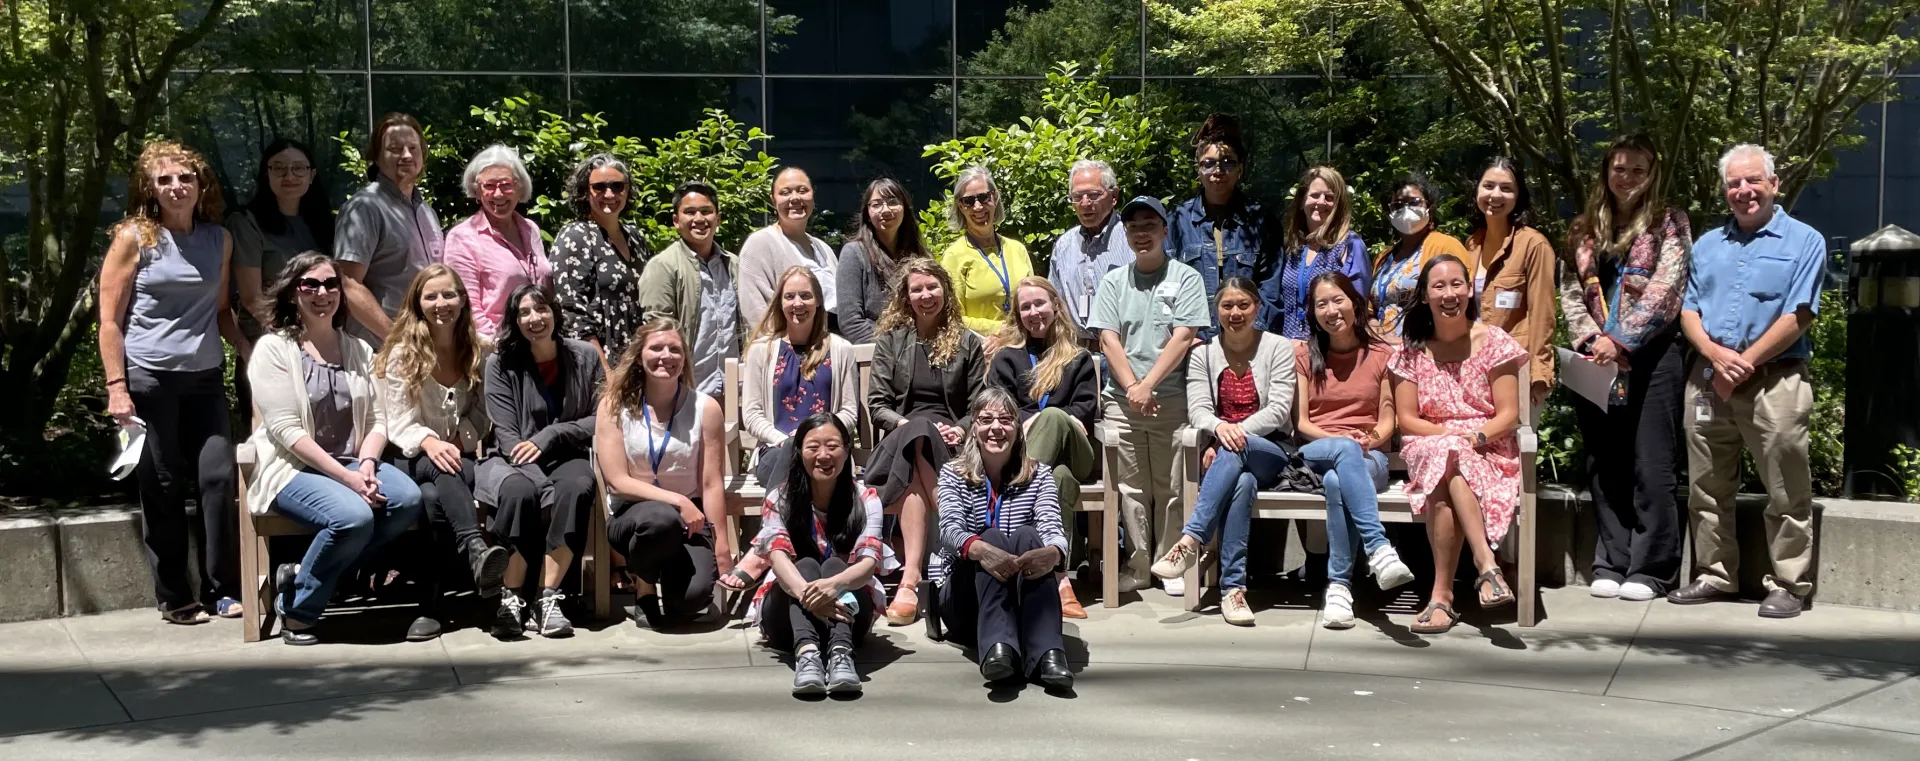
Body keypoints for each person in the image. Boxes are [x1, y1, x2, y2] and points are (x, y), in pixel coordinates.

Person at [1670, 143, 1825, 619]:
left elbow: (1800, 314)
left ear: (1774, 184)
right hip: (1709, 378)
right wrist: (1715, 355)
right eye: (1734, 183)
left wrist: (1747, 361)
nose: (1744, 190)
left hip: (1776, 380)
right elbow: (1688, 307)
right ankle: (1715, 574)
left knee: (1786, 486)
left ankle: (1789, 583)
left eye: (1753, 180)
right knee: (1707, 485)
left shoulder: (1805, 241)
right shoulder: (1708, 244)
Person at [97, 140, 246, 625]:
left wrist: (251, 351)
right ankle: (175, 596)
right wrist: (116, 386)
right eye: (165, 180)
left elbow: (221, 311)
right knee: (160, 485)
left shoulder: (218, 240)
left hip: (204, 378)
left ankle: (223, 588)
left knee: (218, 480)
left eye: (185, 177)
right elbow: (110, 321)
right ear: (150, 189)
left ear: (201, 185)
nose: (176, 187)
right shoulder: (133, 238)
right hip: (149, 379)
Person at [245, 253, 425, 645]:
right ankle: (297, 610)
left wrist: (366, 464)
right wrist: (348, 478)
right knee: (353, 518)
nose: (322, 293)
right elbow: (286, 430)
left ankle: (304, 574)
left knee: (408, 499)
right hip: (293, 469)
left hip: (352, 464)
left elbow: (380, 419)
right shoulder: (273, 350)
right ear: (293, 294)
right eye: (310, 284)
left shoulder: (358, 349)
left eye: (331, 285)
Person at [1559, 133, 1693, 603]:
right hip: (1595, 358)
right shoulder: (1583, 228)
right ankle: (1611, 560)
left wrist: (1622, 340)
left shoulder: (1668, 222)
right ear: (1606, 171)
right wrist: (1590, 338)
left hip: (1653, 356)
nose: (1628, 178)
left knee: (1652, 462)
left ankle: (1652, 568)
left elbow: (1667, 287)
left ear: (1651, 173)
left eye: (1638, 170)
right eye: (1620, 168)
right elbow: (1570, 290)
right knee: (1604, 459)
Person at [1388, 255, 1527, 634]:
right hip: (1428, 441)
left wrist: (1473, 437)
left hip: (1487, 444)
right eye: (1438, 286)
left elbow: (1508, 415)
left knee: (1447, 486)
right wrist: (1451, 439)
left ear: (1469, 290)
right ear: (1425, 295)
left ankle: (1442, 598)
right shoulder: (1411, 349)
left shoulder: (1494, 342)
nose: (1449, 294)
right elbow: (1408, 419)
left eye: (1456, 284)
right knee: (1447, 455)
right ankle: (1486, 565)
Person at [1148, 277, 1297, 624]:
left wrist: (1231, 434)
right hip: (1229, 456)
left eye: (1243, 304)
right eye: (1227, 306)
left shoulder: (1278, 347)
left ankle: (1190, 540)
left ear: (1257, 307)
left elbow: (1278, 410)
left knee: (1238, 451)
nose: (1235, 312)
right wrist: (1219, 430)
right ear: (1216, 312)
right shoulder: (1203, 353)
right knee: (1241, 484)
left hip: (1271, 451)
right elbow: (1198, 409)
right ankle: (1233, 592)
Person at [1088, 196, 1211, 594]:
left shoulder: (1186, 278)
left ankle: (1167, 563)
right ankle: (1138, 565)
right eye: (1134, 228)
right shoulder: (1113, 281)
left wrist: (1148, 386)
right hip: (1122, 404)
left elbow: (1184, 336)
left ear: (1164, 230)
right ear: (1127, 235)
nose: (1142, 234)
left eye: (1149, 225)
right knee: (1131, 488)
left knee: (1171, 487)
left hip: (1173, 400)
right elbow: (1107, 339)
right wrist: (1132, 389)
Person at [373, 264, 498, 641]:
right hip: (407, 458)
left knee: (434, 495)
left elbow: (482, 411)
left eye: (449, 294)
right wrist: (430, 442)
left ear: (462, 300)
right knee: (432, 476)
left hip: (459, 459)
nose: (441, 303)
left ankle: (431, 603)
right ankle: (475, 551)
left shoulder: (479, 350)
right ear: (418, 302)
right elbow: (397, 421)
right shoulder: (401, 355)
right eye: (431, 296)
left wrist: (459, 438)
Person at [476, 284, 604, 639]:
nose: (535, 319)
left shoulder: (585, 356)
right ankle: (511, 597)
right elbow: (507, 436)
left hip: (567, 456)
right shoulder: (500, 365)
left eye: (542, 309)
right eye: (524, 313)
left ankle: (547, 598)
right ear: (514, 322)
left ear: (555, 312)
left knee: (577, 485)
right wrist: (541, 483)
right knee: (519, 492)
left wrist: (553, 434)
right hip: (511, 460)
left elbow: (602, 418)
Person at [1290, 272, 1415, 629]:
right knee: (1338, 459)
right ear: (1313, 312)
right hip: (1316, 450)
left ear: (1355, 303)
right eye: (1321, 304)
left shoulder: (1381, 354)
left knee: (1336, 483)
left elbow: (1388, 418)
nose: (1331, 310)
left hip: (1368, 455)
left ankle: (1339, 587)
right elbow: (1301, 423)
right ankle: (1378, 549)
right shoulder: (1304, 354)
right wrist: (1344, 443)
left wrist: (1370, 439)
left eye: (1338, 300)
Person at [866, 258, 987, 624]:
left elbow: (979, 403)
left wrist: (962, 428)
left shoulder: (966, 342)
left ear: (946, 291)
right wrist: (905, 423)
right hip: (900, 440)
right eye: (916, 289)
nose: (925, 295)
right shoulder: (892, 341)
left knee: (920, 447)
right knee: (917, 431)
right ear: (906, 296)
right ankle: (960, 537)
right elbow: (877, 405)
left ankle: (910, 577)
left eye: (932, 287)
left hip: (949, 447)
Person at [933, 388, 1074, 690]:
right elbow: (949, 530)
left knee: (1028, 536)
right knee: (992, 537)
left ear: (1018, 429)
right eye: (986, 420)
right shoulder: (952, 473)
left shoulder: (1040, 475)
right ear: (973, 428)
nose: (996, 427)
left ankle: (1046, 654)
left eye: (1006, 420)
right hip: (965, 599)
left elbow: (1053, 527)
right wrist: (980, 549)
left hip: (1022, 596)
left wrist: (1053, 553)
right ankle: (999, 649)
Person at [595, 320, 730, 627]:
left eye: (675, 349)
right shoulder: (614, 406)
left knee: (690, 602)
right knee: (659, 519)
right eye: (656, 348)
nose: (665, 356)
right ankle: (644, 589)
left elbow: (710, 484)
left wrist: (722, 546)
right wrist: (677, 501)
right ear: (640, 356)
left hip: (690, 521)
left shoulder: (705, 408)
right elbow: (617, 481)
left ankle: (671, 585)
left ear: (684, 359)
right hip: (634, 518)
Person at [748, 414, 894, 695]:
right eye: (813, 447)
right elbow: (778, 559)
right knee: (803, 563)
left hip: (851, 616)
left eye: (832, 446)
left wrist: (832, 586)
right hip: (786, 618)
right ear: (799, 451)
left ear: (847, 450)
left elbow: (866, 565)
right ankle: (808, 654)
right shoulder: (781, 499)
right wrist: (809, 596)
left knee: (837, 565)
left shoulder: (865, 499)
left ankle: (841, 654)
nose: (823, 455)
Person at [985, 276, 1099, 618]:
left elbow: (1081, 414)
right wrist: (1025, 422)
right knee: (1059, 479)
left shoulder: (1077, 358)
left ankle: (1011, 514)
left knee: (1052, 417)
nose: (1034, 312)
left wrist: (1037, 418)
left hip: (1076, 450)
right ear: (1018, 315)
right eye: (1025, 307)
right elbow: (997, 409)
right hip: (1045, 461)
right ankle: (1059, 579)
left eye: (1039, 304)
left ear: (1055, 306)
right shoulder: (1007, 359)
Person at [229, 139, 335, 416]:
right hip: (269, 348)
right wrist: (295, 340)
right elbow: (252, 297)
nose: (290, 176)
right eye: (279, 168)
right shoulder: (246, 223)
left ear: (312, 175)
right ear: (266, 174)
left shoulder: (323, 224)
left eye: (299, 168)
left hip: (320, 349)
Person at [741, 266, 861, 490]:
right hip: (775, 449)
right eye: (790, 296)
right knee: (789, 461)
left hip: (827, 453)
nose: (798, 303)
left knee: (818, 465)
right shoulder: (761, 351)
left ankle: (779, 524)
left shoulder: (841, 349)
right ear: (780, 303)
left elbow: (848, 411)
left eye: (805, 296)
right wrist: (788, 442)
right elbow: (752, 414)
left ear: (817, 301)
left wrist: (819, 439)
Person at [1165, 113, 1281, 337]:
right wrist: (1182, 340)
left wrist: (1253, 339)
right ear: (1198, 170)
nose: (1218, 171)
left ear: (1241, 168)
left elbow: (1271, 290)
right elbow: (1166, 289)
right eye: (1208, 164)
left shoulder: (1261, 221)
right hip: (1192, 345)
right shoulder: (1177, 221)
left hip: (1248, 342)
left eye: (1228, 162)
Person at [335, 112, 442, 344]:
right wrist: (397, 340)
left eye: (413, 148)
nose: (406, 155)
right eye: (395, 149)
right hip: (380, 349)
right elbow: (348, 284)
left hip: (423, 343)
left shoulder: (426, 212)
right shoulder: (363, 208)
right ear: (377, 157)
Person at [1466, 157, 1557, 408]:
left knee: (1518, 446)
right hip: (1475, 368)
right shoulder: (1472, 245)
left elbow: (1543, 314)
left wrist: (1540, 374)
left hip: (1517, 370)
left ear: (1518, 196)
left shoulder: (1533, 245)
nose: (1495, 195)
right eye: (1488, 186)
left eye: (1506, 188)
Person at [637, 181, 740, 396]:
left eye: (706, 211)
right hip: (686, 392)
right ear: (676, 220)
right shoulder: (663, 266)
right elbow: (658, 334)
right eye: (690, 212)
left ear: (718, 218)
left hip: (733, 393)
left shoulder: (734, 265)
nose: (699, 219)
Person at [442, 144, 551, 342]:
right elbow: (468, 306)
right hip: (496, 349)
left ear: (519, 187)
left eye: (506, 185)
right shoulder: (463, 237)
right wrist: (498, 346)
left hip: (540, 342)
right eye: (489, 186)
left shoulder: (530, 229)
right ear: (477, 190)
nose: (498, 194)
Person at [553, 153, 651, 366]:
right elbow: (571, 312)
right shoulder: (575, 236)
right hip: (596, 361)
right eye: (599, 187)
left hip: (636, 359)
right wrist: (603, 371)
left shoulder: (636, 237)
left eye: (617, 186)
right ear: (584, 192)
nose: (609, 194)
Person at [1274, 165, 1370, 340]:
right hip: (1290, 349)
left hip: (1330, 350)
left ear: (1338, 205)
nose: (1321, 202)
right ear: (1302, 201)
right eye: (1315, 195)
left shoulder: (1350, 244)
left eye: (1329, 197)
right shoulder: (1294, 248)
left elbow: (1358, 307)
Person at [1370, 174, 1470, 338]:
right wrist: (1375, 330)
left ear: (1430, 206)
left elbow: (1462, 299)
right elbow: (1370, 308)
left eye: (1414, 202)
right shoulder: (1383, 258)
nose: (1406, 209)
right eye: (1398, 205)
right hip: (1384, 351)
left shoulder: (1446, 246)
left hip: (1426, 350)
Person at [739, 167, 838, 330]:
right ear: (773, 201)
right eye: (785, 193)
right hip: (785, 350)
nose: (795, 198)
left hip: (829, 346)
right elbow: (755, 312)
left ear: (812, 195)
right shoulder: (759, 244)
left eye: (802, 191)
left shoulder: (824, 249)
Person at [1048, 160, 1135, 345]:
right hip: (1077, 354)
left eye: (1094, 195)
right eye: (1077, 197)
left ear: (1114, 195)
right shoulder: (1063, 246)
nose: (1085, 203)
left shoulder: (1133, 239)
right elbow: (1055, 304)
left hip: (1126, 351)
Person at [939, 165, 1034, 334]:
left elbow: (1035, 301)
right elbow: (951, 317)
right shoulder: (954, 256)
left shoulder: (1017, 249)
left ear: (995, 197)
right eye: (968, 201)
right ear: (960, 206)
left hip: (1023, 345)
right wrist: (998, 329)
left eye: (983, 197)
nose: (977, 207)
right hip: (980, 350)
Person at [836, 178, 929, 344]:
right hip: (875, 357)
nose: (885, 210)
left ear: (905, 208)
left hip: (921, 352)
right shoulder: (853, 254)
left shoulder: (920, 255)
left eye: (893, 202)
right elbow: (850, 322)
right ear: (867, 213)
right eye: (876, 204)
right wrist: (897, 346)